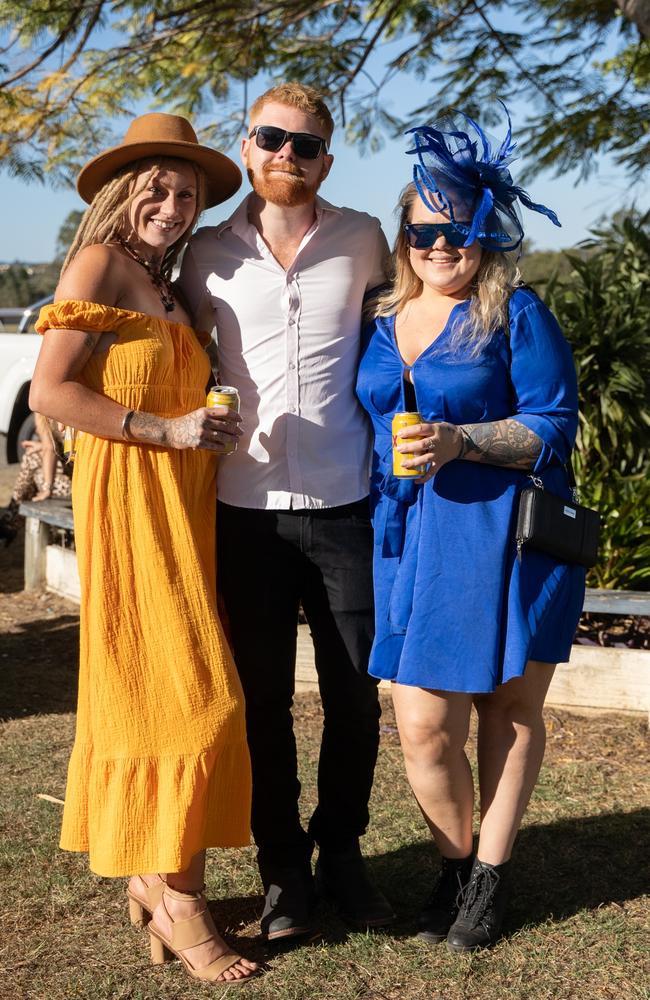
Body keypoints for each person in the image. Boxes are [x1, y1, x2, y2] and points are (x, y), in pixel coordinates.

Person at [29, 112, 259, 984]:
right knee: (195, 699)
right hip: (130, 508)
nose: (171, 203)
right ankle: (173, 894)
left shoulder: (170, 288)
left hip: (186, 508)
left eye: (186, 192)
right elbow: (51, 390)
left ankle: (159, 880)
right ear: (124, 194)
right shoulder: (98, 266)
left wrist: (207, 421)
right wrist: (161, 427)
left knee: (184, 691)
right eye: (156, 188)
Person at [356, 108, 586, 952]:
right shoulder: (380, 321)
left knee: (508, 711)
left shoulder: (515, 313)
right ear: (403, 238)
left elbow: (553, 423)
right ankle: (453, 867)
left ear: (485, 235)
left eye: (459, 231)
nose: (441, 246)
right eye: (424, 232)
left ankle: (486, 883)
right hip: (408, 535)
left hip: (503, 536)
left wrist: (463, 441)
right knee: (420, 723)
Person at [178, 82, 395, 942]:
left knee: (354, 700)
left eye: (306, 146)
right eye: (273, 139)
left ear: (326, 161)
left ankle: (341, 854)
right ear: (246, 147)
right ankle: (282, 875)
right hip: (247, 512)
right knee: (262, 703)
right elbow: (173, 346)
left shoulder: (366, 238)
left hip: (348, 506)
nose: (288, 157)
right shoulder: (203, 254)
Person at [0, 413, 71, 545]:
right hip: (79, 476)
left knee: (31, 461)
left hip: (73, 486)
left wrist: (47, 489)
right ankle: (10, 522)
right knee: (32, 457)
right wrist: (40, 446)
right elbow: (56, 447)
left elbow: (50, 449)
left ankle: (11, 522)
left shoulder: (42, 410)